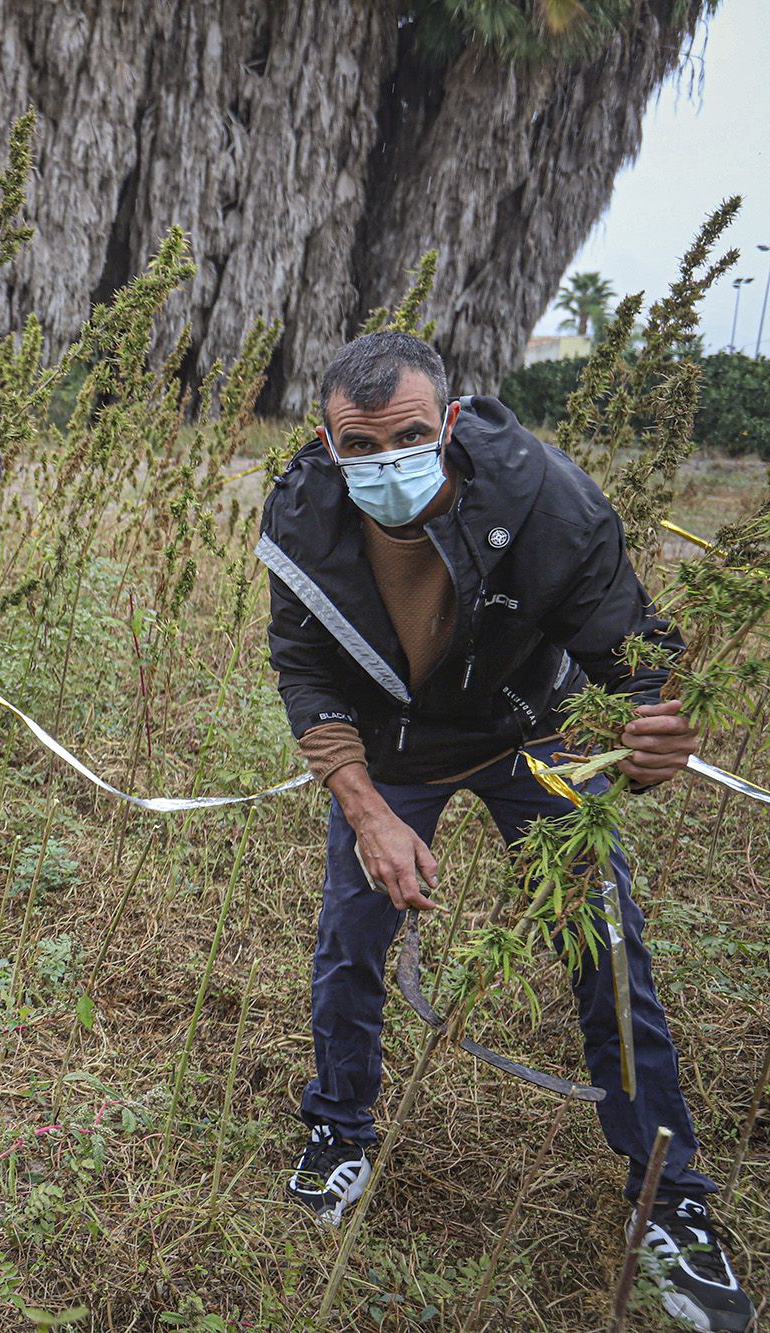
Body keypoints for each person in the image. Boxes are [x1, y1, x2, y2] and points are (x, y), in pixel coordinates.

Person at [260, 332, 753, 1330]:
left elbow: (635, 653)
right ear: (325, 439)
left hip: (537, 729)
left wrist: (655, 726)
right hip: (393, 751)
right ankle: (337, 1128)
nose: (382, 460)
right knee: (349, 940)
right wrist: (363, 810)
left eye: (405, 435)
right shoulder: (301, 515)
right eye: (358, 444)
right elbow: (304, 672)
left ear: (445, 423)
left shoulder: (545, 501)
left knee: (606, 950)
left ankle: (670, 1200)